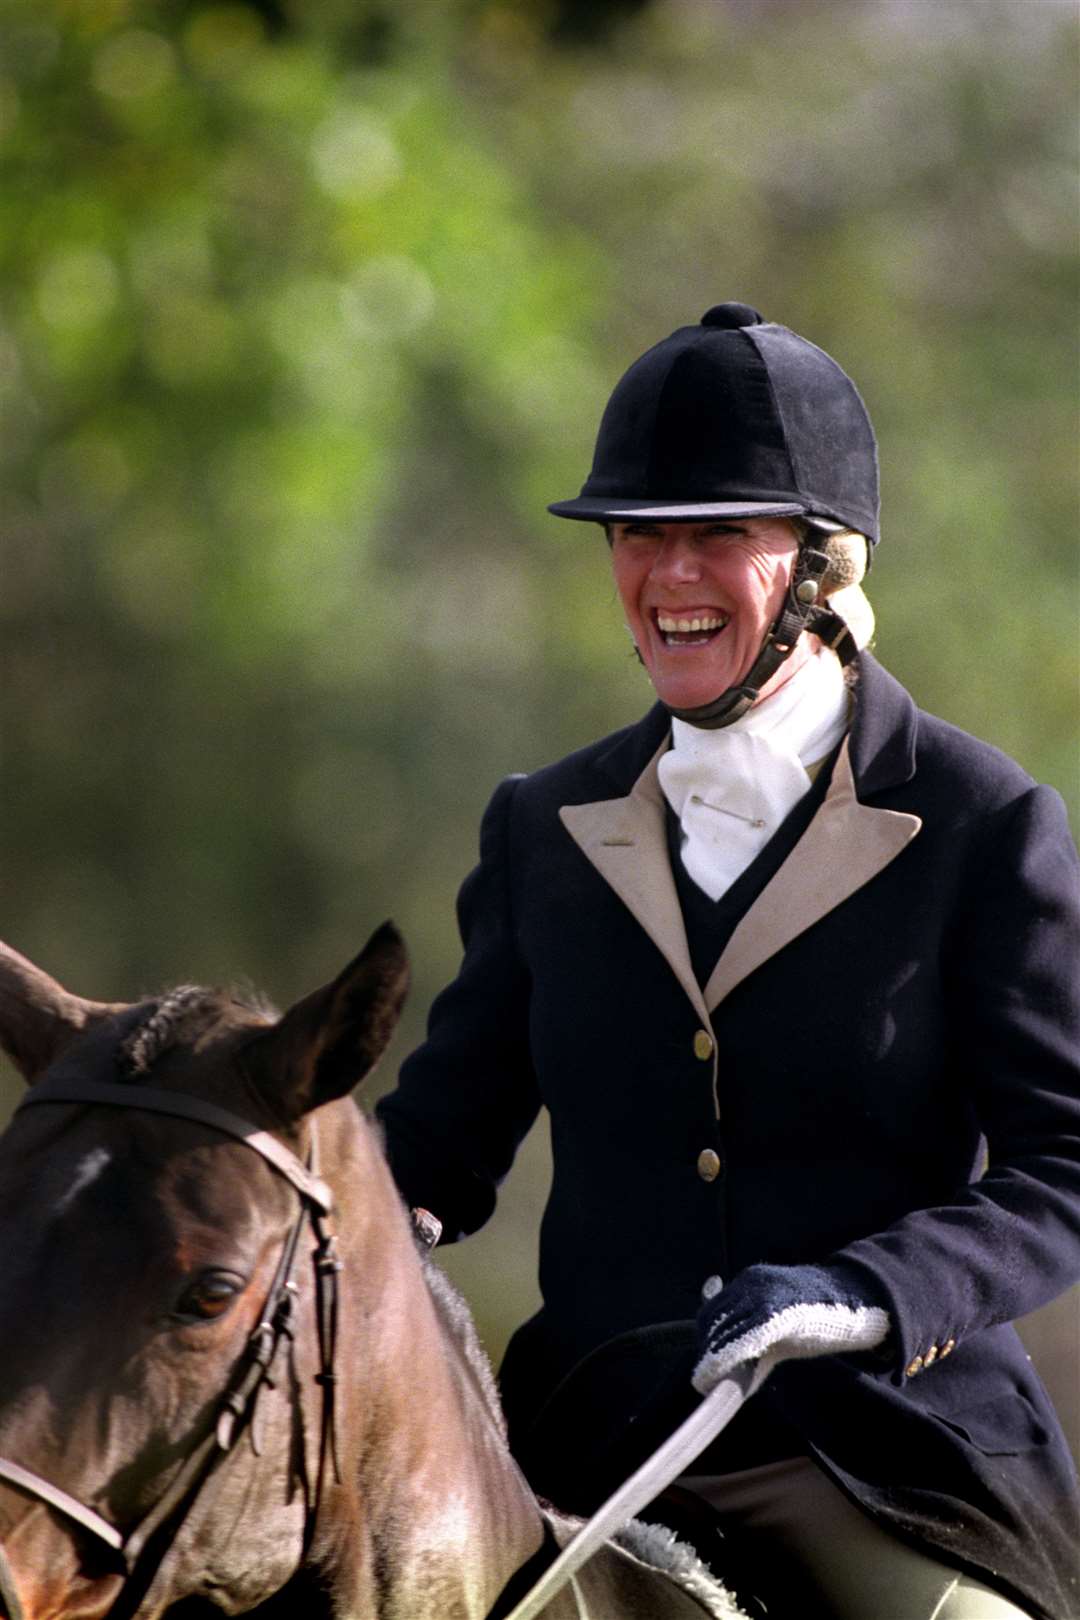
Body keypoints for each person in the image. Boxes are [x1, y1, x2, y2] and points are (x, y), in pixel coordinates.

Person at [376, 302, 1080, 1619]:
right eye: (641, 536)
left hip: (877, 1447)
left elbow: (1068, 1161)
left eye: (720, 535)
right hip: (585, 1447)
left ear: (818, 567)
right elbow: (436, 1146)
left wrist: (869, 1293)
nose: (670, 575)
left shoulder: (984, 824)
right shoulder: (544, 826)